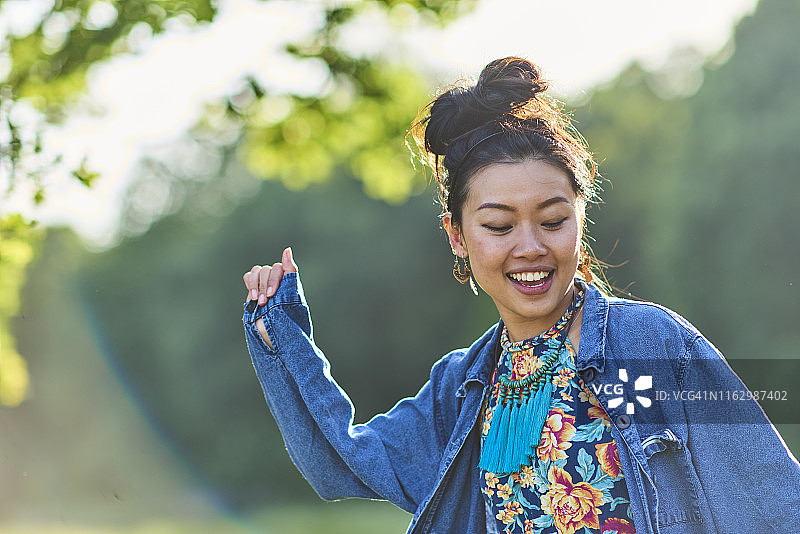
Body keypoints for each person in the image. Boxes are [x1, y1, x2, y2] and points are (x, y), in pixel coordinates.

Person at [241, 57, 800, 534]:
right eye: (499, 226)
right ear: (457, 237)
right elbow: (343, 464)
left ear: (580, 221)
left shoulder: (638, 351)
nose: (530, 247)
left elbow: (772, 503)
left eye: (553, 220)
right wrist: (281, 337)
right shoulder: (465, 390)